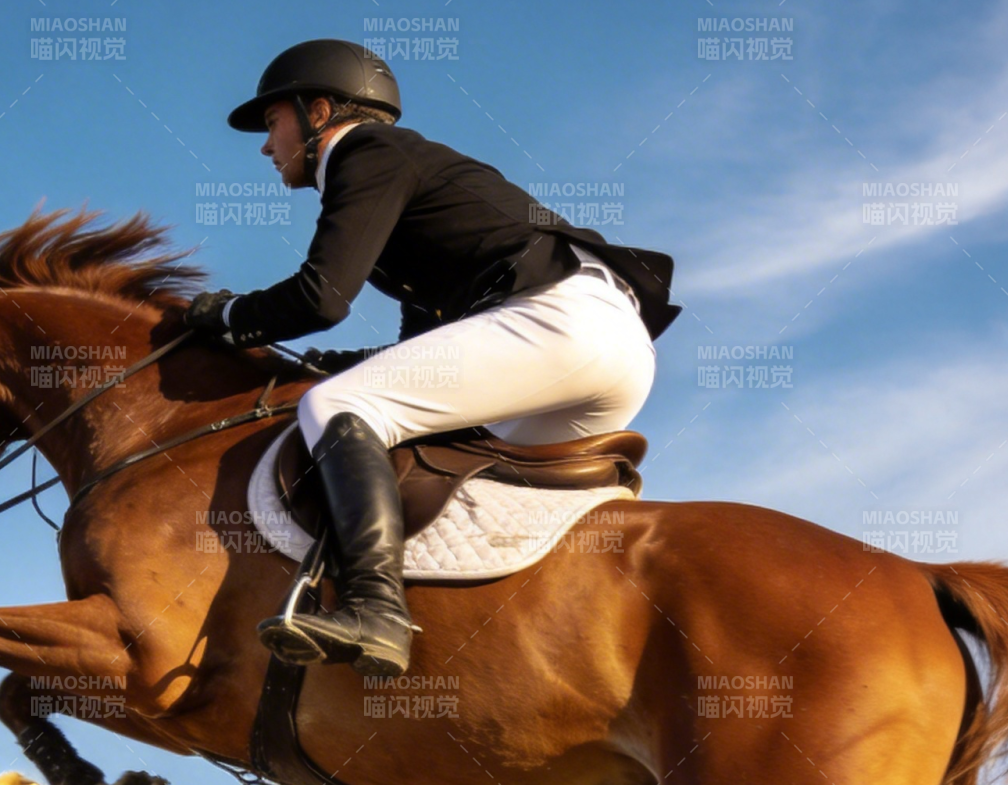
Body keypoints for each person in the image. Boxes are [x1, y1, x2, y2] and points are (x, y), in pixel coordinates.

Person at [187, 39, 680, 679]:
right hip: (606, 347)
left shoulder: (364, 152)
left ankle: (374, 611)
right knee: (463, 484)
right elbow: (418, 348)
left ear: (318, 111)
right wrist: (325, 360)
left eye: (273, 122)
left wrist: (223, 316)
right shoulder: (406, 176)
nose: (265, 144)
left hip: (557, 322)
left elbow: (321, 296)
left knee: (335, 406)